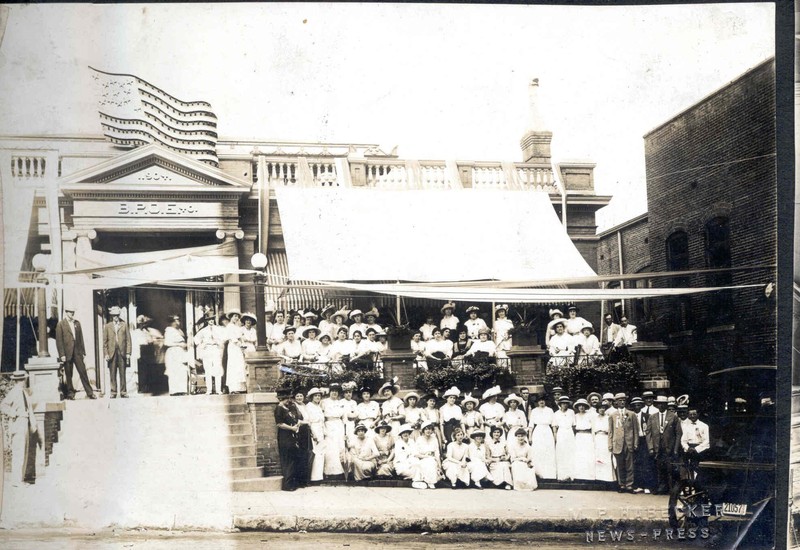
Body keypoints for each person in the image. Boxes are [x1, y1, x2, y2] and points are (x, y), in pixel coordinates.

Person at [1, 371, 39, 486]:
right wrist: (12, 413)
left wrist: (33, 424)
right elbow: (3, 405)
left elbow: (29, 409)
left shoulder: (24, 392)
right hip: (18, 423)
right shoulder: (14, 392)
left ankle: (20, 479)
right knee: (18, 451)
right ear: (19, 380)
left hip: (24, 422)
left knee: (24, 451)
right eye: (23, 379)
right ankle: (16, 481)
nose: (24, 381)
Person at [55, 305, 96, 400]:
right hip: (67, 353)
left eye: (73, 312)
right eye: (70, 312)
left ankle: (90, 393)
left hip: (77, 352)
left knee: (83, 372)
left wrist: (83, 352)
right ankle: (70, 393)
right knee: (69, 374)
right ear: (66, 312)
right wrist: (62, 355)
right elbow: (59, 341)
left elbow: (80, 338)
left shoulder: (77, 323)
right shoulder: (61, 324)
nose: (72, 313)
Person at [646, 395, 682, 494]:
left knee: (670, 468)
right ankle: (660, 487)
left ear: (666, 405)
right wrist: (651, 448)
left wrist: (675, 449)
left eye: (663, 404)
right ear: (657, 405)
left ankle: (671, 489)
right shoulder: (652, 417)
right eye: (659, 404)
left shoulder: (673, 417)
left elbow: (678, 433)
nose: (661, 406)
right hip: (657, 447)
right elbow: (648, 433)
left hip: (669, 447)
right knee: (658, 468)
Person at [608, 393, 639, 493]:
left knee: (630, 465)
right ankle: (621, 485)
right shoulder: (613, 415)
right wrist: (610, 444)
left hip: (629, 442)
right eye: (619, 400)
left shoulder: (631, 414)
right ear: (616, 402)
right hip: (618, 443)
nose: (622, 402)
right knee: (620, 465)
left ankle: (629, 485)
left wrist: (635, 443)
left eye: (623, 400)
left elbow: (636, 430)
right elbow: (611, 431)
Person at [275, 388, 303, 491]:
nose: (288, 400)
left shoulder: (287, 409)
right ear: (281, 399)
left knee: (292, 459)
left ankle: (292, 483)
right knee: (287, 460)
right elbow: (279, 424)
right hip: (284, 437)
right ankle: (287, 485)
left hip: (291, 436)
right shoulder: (279, 409)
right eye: (286, 399)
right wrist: (291, 428)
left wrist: (296, 424)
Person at [102, 306, 132, 399]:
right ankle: (113, 392)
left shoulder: (124, 325)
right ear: (111, 316)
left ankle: (123, 392)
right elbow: (104, 342)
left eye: (117, 315)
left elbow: (128, 340)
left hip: (122, 352)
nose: (115, 317)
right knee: (112, 373)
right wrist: (106, 354)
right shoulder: (107, 326)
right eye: (114, 315)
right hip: (112, 353)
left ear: (119, 315)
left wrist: (128, 353)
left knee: (122, 373)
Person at [194, 315, 225, 395]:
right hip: (207, 350)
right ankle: (209, 390)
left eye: (212, 319)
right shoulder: (203, 330)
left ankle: (218, 389)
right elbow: (196, 339)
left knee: (217, 369)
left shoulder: (218, 329)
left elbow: (224, 338)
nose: (211, 320)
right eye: (209, 319)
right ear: (207, 321)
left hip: (216, 349)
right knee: (208, 369)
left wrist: (219, 343)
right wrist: (202, 345)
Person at [320, 384, 346, 478]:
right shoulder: (324, 402)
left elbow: (344, 417)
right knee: (330, 448)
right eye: (332, 391)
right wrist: (323, 428)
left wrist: (345, 429)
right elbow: (321, 415)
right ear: (329, 392)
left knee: (340, 446)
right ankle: (330, 472)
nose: (334, 393)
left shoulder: (340, 403)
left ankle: (340, 471)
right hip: (329, 425)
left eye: (336, 391)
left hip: (339, 425)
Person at [528, 394, 557, 479]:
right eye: (540, 400)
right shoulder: (534, 411)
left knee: (548, 451)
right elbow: (531, 425)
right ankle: (538, 473)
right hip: (538, 432)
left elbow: (554, 424)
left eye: (543, 400)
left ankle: (549, 474)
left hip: (547, 431)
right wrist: (530, 436)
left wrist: (555, 436)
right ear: (537, 402)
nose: (541, 402)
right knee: (538, 451)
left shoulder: (550, 410)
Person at [631, 396, 656, 494]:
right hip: (634, 441)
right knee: (636, 463)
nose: (637, 406)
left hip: (644, 440)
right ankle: (638, 485)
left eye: (639, 405)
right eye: (635, 405)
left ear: (641, 406)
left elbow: (650, 430)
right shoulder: (631, 415)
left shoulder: (647, 416)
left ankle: (647, 485)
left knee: (646, 464)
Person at [164, 315, 189, 396]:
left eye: (178, 320)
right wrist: (179, 344)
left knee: (181, 371)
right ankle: (174, 391)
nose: (178, 322)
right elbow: (166, 343)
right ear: (172, 322)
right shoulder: (169, 330)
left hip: (180, 353)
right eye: (176, 320)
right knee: (173, 372)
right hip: (173, 353)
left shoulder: (179, 331)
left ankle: (181, 390)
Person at [305, 387, 326, 482]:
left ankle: (319, 476)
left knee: (321, 453)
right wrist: (314, 434)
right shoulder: (309, 406)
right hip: (314, 431)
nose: (317, 397)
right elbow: (309, 422)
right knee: (316, 453)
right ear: (312, 397)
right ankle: (314, 477)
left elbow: (322, 421)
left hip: (320, 430)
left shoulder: (318, 407)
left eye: (319, 396)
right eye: (315, 396)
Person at [680, 408, 709, 476]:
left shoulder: (704, 426)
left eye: (694, 414)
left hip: (700, 450)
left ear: (698, 415)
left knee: (698, 469)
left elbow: (706, 441)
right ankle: (690, 483)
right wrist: (687, 448)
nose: (692, 416)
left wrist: (696, 449)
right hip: (689, 449)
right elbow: (683, 440)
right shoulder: (686, 426)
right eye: (690, 414)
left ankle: (696, 483)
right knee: (687, 468)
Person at [393, 424, 424, 488]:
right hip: (402, 464)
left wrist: (424, 456)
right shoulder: (398, 443)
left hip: (412, 462)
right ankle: (414, 480)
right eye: (403, 432)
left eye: (407, 432)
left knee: (418, 467)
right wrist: (409, 457)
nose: (405, 434)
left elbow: (415, 453)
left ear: (409, 433)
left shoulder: (412, 441)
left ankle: (415, 481)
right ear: (401, 434)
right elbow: (399, 456)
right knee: (414, 470)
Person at [553, 396, 576, 481]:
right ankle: (562, 476)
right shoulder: (556, 413)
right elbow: (554, 427)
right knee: (561, 454)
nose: (565, 405)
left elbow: (574, 425)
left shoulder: (571, 412)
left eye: (566, 403)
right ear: (560, 404)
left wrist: (572, 435)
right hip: (561, 433)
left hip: (569, 433)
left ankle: (570, 475)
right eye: (563, 403)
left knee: (570, 453)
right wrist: (556, 438)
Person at [224, 310, 247, 393]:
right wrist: (239, 344)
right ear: (231, 317)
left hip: (238, 348)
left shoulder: (237, 327)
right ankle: (233, 388)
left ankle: (241, 388)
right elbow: (232, 338)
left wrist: (242, 344)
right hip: (233, 347)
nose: (236, 318)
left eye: (237, 316)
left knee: (239, 365)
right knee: (233, 365)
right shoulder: (229, 326)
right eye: (234, 316)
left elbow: (240, 337)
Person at [572, 398, 595, 481]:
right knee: (579, 455)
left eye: (583, 406)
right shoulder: (575, 416)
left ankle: (588, 476)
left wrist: (593, 439)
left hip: (587, 436)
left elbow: (593, 428)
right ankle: (579, 475)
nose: (581, 407)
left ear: (586, 407)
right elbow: (573, 428)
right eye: (580, 406)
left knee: (587, 455)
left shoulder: (590, 415)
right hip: (578, 437)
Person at [415, 421, 442, 489]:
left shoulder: (434, 439)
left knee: (431, 462)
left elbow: (437, 453)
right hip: (422, 458)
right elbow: (416, 453)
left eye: (430, 429)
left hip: (432, 459)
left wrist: (439, 465)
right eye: (426, 429)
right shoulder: (419, 439)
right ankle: (429, 482)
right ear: (423, 430)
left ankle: (431, 482)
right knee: (427, 462)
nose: (428, 431)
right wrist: (425, 456)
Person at [592, 402, 614, 483]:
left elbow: (611, 430)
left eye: (603, 408)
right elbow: (593, 431)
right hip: (597, 438)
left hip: (605, 438)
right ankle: (599, 478)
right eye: (600, 408)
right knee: (598, 457)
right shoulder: (595, 418)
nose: (602, 409)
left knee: (606, 457)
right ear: (597, 409)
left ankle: (607, 478)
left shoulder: (609, 418)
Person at [293, 390, 312, 487]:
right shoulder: (293, 407)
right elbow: (297, 420)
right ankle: (299, 481)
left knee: (305, 455)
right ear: (294, 398)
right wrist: (306, 422)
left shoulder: (305, 406)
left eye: (301, 396)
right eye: (297, 396)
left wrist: (307, 422)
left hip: (306, 432)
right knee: (299, 455)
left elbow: (308, 419)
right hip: (299, 432)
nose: (299, 398)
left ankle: (304, 480)